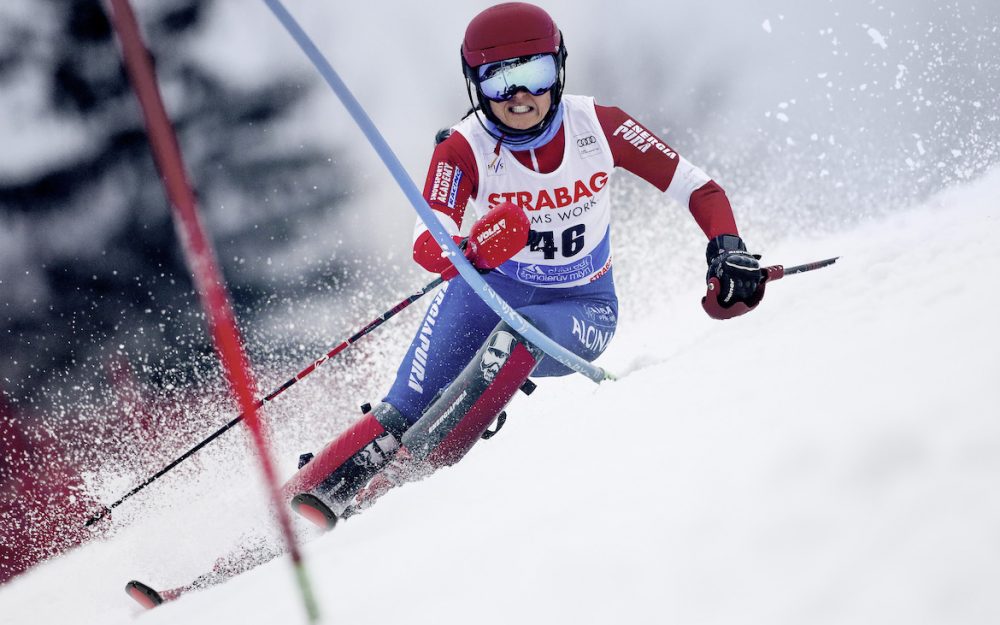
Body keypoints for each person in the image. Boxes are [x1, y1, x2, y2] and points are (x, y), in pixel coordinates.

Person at [282, 2, 766, 529]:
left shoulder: (600, 125)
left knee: (521, 337)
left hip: (582, 306)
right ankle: (274, 520)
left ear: (558, 68)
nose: (520, 97)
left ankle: (402, 485)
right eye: (499, 81)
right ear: (475, 84)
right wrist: (464, 252)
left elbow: (700, 188)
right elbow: (427, 237)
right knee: (399, 412)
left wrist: (726, 247)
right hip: (487, 293)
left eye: (535, 75)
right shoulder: (463, 148)